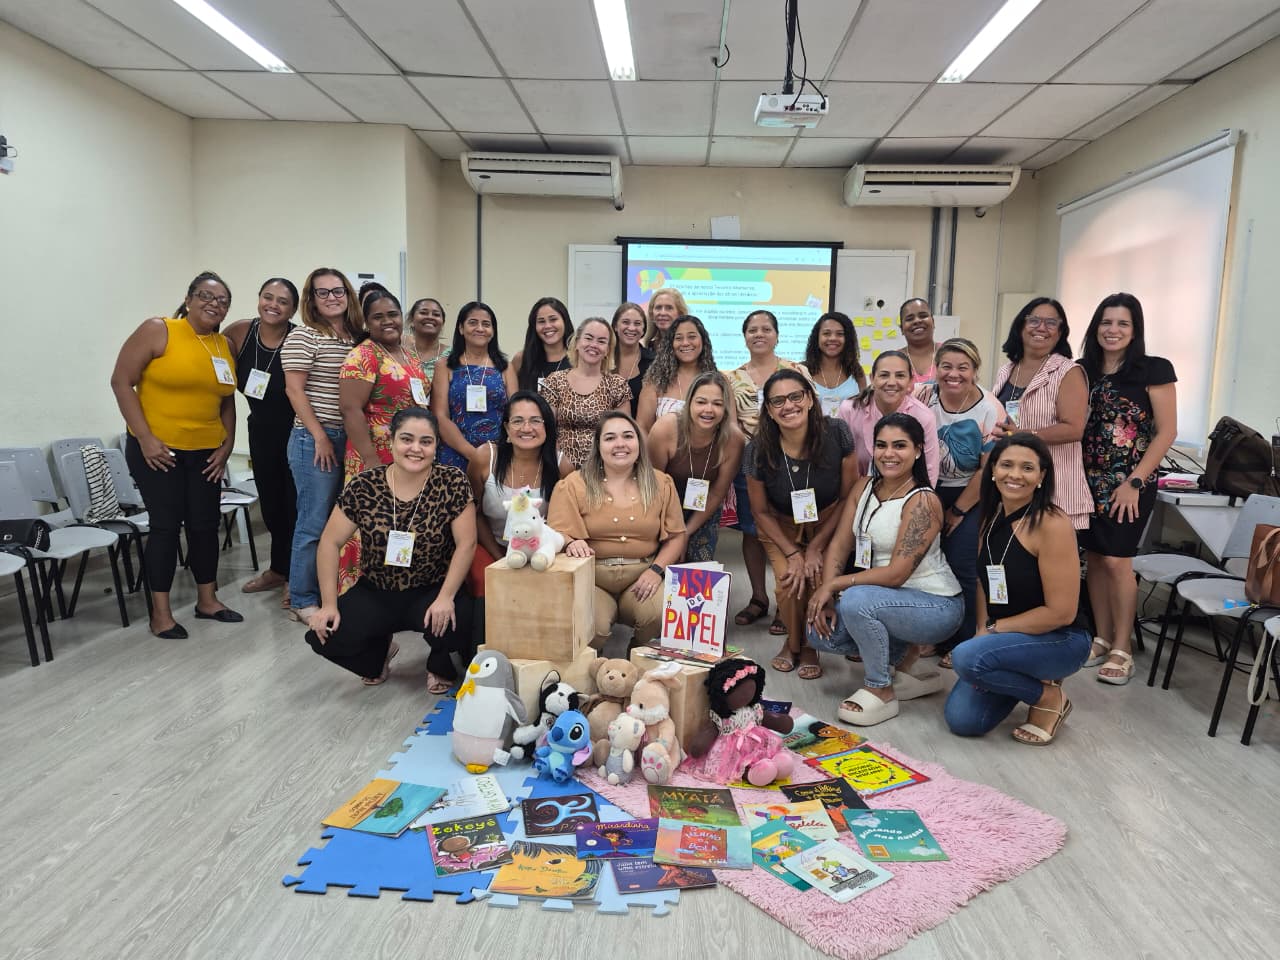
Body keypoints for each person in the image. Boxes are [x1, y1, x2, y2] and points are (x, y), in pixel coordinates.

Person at [805, 413, 963, 726]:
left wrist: (833, 586)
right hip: (886, 600)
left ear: (918, 450)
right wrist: (827, 596)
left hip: (936, 605)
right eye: (881, 445)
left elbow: (896, 574)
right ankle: (904, 667)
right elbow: (840, 545)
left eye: (899, 445)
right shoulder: (864, 486)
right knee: (819, 633)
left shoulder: (923, 501)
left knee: (855, 601)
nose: (888, 453)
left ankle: (881, 689)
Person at [110, 271, 243, 638]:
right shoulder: (159, 330)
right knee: (166, 528)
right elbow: (121, 382)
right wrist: (145, 438)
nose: (214, 304)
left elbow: (226, 400)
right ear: (188, 299)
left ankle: (207, 601)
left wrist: (228, 444)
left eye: (223, 301)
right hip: (159, 450)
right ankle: (161, 614)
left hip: (207, 453)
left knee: (205, 526)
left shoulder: (223, 345)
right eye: (206, 296)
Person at [306, 407, 476, 693]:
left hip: (431, 588)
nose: (416, 449)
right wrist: (328, 605)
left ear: (436, 445)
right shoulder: (364, 485)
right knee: (325, 634)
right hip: (377, 590)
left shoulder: (452, 481)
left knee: (462, 622)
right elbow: (329, 543)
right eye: (407, 439)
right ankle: (379, 653)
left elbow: (466, 543)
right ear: (392, 440)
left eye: (426, 441)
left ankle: (438, 662)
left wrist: (446, 597)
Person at [944, 433, 1090, 745]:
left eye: (1027, 468)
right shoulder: (992, 513)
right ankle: (1029, 678)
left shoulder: (1052, 523)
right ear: (993, 470)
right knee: (964, 720)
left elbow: (1062, 613)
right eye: (1006, 465)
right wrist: (982, 629)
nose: (1015, 475)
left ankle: (1049, 697)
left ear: (1042, 476)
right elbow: (984, 581)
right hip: (1007, 638)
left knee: (966, 657)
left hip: (1060, 640)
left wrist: (991, 632)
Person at [1078, 293, 1177, 685]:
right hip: (1087, 480)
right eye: (1106, 322)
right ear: (1096, 327)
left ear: (1135, 330)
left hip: (1130, 483)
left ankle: (1123, 647)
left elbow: (1166, 431)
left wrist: (1134, 481)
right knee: (1095, 559)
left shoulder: (1154, 369)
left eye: (1122, 323)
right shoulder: (1083, 370)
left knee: (1118, 561)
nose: (1113, 330)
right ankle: (1101, 637)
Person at [746, 370, 858, 680]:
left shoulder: (837, 432)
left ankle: (809, 645)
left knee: (817, 576)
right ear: (769, 410)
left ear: (809, 399)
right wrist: (793, 552)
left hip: (830, 520)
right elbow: (760, 511)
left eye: (796, 396)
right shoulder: (757, 448)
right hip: (779, 525)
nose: (788, 406)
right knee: (789, 579)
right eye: (778, 401)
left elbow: (848, 496)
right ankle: (793, 643)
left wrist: (816, 547)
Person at [548, 412, 687, 649]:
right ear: (598, 445)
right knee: (592, 628)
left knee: (659, 614)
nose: (620, 444)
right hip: (593, 578)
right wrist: (570, 542)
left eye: (628, 436)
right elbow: (556, 531)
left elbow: (676, 536)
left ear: (639, 443)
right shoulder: (574, 484)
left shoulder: (661, 483)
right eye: (610, 438)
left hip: (643, 575)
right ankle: (593, 664)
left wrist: (656, 571)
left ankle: (638, 655)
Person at [281, 267, 367, 622]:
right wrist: (319, 436)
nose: (332, 298)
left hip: (349, 438)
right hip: (315, 439)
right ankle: (302, 599)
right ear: (311, 299)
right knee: (313, 522)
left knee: (341, 524)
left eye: (338, 291)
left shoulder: (355, 338)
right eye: (323, 292)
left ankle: (331, 592)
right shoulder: (305, 336)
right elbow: (294, 391)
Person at [916, 338, 1007, 666]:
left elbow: (988, 470)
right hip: (928, 489)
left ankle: (964, 639)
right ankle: (934, 632)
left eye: (962, 367)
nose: (953, 374)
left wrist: (957, 511)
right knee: (926, 562)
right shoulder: (924, 396)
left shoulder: (989, 408)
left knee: (962, 563)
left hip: (972, 493)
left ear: (975, 371)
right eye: (946, 366)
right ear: (936, 368)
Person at [337, 290, 433, 589]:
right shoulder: (363, 355)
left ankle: (395, 594)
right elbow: (350, 409)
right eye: (378, 317)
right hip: (374, 455)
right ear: (367, 322)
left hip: (407, 456)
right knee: (369, 526)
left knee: (399, 525)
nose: (387, 321)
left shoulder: (407, 352)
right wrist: (371, 460)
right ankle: (356, 594)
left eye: (392, 314)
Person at [725, 310, 811, 637]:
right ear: (744, 336)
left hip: (793, 463)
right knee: (753, 531)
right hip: (752, 464)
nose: (759, 334)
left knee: (790, 530)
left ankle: (783, 602)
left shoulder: (796, 371)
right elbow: (731, 423)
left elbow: (809, 411)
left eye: (766, 329)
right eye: (752, 330)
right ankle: (759, 597)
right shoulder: (731, 378)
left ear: (777, 335)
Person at [223, 277, 298, 606]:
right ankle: (278, 569)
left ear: (293, 309)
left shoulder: (299, 339)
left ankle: (298, 576)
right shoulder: (239, 333)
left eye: (282, 301)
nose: (273, 305)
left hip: (297, 432)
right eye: (268, 297)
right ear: (259, 299)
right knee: (271, 505)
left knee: (295, 506)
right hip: (261, 431)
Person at [991, 297, 1092, 530]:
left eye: (1051, 323)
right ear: (1021, 326)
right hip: (1011, 486)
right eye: (1034, 320)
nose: (1041, 328)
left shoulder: (1068, 371)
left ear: (1060, 333)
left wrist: (1024, 435)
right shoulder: (1007, 370)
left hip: (1054, 488)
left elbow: (1074, 429)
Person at [467, 391, 574, 573]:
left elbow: (565, 524)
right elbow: (474, 515)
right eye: (517, 421)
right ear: (507, 428)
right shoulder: (485, 457)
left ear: (547, 426)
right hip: (492, 549)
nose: (526, 428)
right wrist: (501, 558)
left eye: (535, 421)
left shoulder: (561, 466)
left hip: (542, 554)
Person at [647, 371, 744, 562]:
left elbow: (717, 493)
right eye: (701, 402)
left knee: (697, 566)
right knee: (664, 562)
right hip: (662, 505)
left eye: (717, 404)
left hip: (703, 506)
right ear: (689, 402)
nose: (708, 410)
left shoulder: (734, 439)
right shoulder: (666, 428)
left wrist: (686, 532)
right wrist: (674, 532)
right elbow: (653, 485)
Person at [432, 301, 518, 470]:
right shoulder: (444, 366)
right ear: (461, 328)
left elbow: (515, 415)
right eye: (473, 322)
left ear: (493, 331)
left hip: (497, 457)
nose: (480, 328)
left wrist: (490, 456)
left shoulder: (505, 367)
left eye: (486, 324)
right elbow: (440, 416)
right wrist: (474, 455)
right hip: (454, 454)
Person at [837, 350, 940, 485]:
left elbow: (929, 471)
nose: (891, 382)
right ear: (872, 378)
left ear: (911, 381)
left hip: (905, 492)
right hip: (856, 489)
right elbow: (838, 461)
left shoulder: (923, 417)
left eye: (900, 375)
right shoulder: (850, 410)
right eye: (884, 375)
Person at [539, 317, 631, 467]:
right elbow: (546, 429)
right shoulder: (555, 381)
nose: (594, 345)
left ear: (607, 350)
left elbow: (623, 434)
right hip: (560, 468)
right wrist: (561, 463)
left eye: (601, 341)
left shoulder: (617, 385)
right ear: (577, 343)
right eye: (588, 338)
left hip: (605, 467)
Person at [636, 315, 718, 430]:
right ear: (671, 344)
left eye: (692, 337)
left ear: (703, 341)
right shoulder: (655, 381)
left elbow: (730, 427)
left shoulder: (719, 381)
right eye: (679, 338)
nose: (685, 343)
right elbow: (642, 428)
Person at [803, 311, 866, 417]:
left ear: (847, 339)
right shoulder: (803, 370)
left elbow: (863, 409)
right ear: (817, 338)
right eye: (826, 333)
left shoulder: (856, 370)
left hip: (849, 428)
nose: (833, 338)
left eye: (840, 334)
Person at [513, 297, 573, 392]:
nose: (547, 326)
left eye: (553, 319)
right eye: (541, 321)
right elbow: (512, 398)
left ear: (565, 321)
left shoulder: (579, 359)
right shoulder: (521, 359)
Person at [612, 302, 654, 416]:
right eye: (625, 322)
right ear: (615, 326)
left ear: (643, 329)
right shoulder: (602, 359)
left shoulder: (653, 363)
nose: (631, 328)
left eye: (637, 323)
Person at [900, 298, 939, 384]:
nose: (917, 321)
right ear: (901, 329)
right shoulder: (894, 359)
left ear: (933, 322)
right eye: (909, 319)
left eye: (923, 316)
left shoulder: (949, 353)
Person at [408, 297, 449, 374]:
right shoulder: (401, 355)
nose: (430, 317)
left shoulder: (454, 356)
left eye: (436, 314)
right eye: (423, 313)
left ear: (442, 323)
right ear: (411, 320)